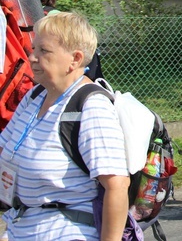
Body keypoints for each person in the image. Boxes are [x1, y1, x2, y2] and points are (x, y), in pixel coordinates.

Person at [0, 12, 130, 240]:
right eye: (34, 49)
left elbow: (117, 186)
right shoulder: (36, 95)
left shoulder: (90, 106)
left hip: (66, 232)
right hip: (22, 227)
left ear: (75, 59)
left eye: (44, 51)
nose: (32, 58)